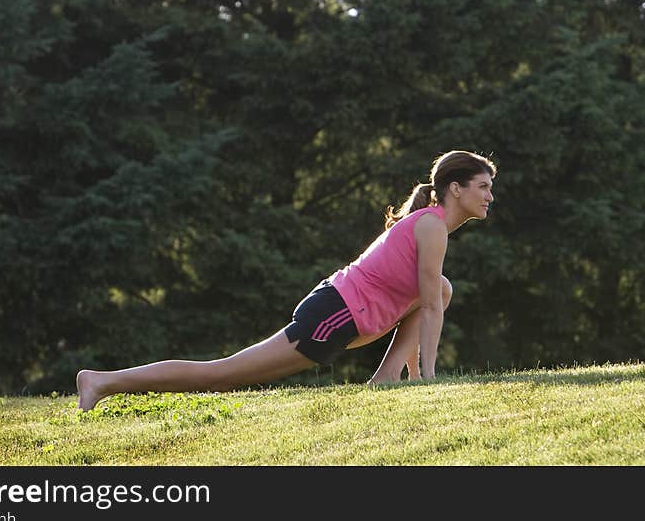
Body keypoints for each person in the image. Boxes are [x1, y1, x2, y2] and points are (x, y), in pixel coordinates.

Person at [76, 150, 496, 411]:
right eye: (482, 186)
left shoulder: (431, 225)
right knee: (220, 376)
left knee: (442, 286)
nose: (490, 195)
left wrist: (415, 370)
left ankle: (386, 380)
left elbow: (429, 299)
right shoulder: (432, 226)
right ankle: (103, 381)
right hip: (332, 314)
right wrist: (429, 374)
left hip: (344, 312)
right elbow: (430, 307)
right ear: (454, 189)